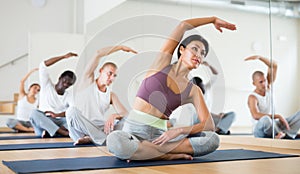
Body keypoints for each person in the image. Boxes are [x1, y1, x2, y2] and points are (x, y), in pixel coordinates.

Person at [107, 16, 236, 161]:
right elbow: (182, 26)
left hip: (161, 137)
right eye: (195, 49)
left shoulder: (193, 90)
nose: (198, 55)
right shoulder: (161, 64)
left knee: (212, 140)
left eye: (202, 53)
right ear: (181, 49)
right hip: (133, 131)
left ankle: (146, 152)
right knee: (114, 141)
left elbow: (209, 125)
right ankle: (164, 155)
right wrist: (212, 19)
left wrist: (179, 130)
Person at [66, 46, 137, 145]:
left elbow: (125, 113)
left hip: (100, 127)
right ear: (100, 71)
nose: (111, 78)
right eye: (110, 73)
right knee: (71, 111)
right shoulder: (88, 81)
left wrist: (114, 115)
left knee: (129, 119)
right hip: (82, 127)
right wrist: (120, 47)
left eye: (114, 75)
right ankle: (102, 139)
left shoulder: (111, 95)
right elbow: (98, 52)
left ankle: (93, 138)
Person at [246, 55, 300, 139]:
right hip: (261, 129)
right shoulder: (252, 97)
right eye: (261, 82)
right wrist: (277, 116)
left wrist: (260, 58)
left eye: (265, 81)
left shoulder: (267, 88)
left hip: (275, 125)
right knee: (266, 119)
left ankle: (282, 134)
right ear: (254, 83)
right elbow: (255, 115)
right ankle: (285, 134)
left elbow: (274, 66)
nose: (264, 84)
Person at [30, 53, 77, 138]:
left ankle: (52, 131)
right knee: (34, 113)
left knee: (74, 119)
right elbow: (43, 65)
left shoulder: (69, 96)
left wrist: (57, 115)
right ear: (60, 78)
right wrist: (63, 57)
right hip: (44, 119)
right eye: (64, 81)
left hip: (60, 121)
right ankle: (62, 132)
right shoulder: (47, 85)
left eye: (69, 84)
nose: (65, 84)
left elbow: (72, 111)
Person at [170, 74, 236, 135]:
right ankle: (220, 130)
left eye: (203, 85)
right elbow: (198, 113)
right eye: (201, 85)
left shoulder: (205, 90)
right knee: (175, 121)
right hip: (198, 119)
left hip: (208, 118)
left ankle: (218, 129)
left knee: (232, 114)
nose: (203, 86)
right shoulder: (191, 96)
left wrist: (218, 115)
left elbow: (215, 76)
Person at [6, 68, 40, 132]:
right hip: (20, 122)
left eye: (38, 90)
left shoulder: (37, 101)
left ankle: (23, 129)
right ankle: (27, 130)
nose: (36, 90)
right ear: (30, 88)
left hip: (31, 123)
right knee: (9, 121)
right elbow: (22, 81)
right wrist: (31, 71)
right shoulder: (22, 96)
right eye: (35, 88)